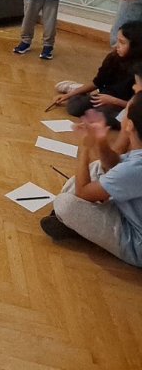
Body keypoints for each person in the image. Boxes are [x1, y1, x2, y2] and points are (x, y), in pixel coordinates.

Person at [41, 96, 142, 269]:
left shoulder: (136, 168)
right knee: (96, 168)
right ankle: (74, 222)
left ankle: (74, 224)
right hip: (131, 212)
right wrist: (100, 141)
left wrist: (85, 148)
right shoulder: (137, 158)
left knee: (65, 203)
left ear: (130, 125)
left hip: (136, 244)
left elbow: (83, 192)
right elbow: (114, 165)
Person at [51, 21, 142, 128]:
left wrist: (114, 101)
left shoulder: (139, 69)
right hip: (105, 95)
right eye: (117, 40)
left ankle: (85, 94)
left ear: (135, 46)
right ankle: (77, 89)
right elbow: (97, 82)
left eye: (122, 42)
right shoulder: (113, 58)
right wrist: (68, 96)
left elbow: (137, 105)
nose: (117, 46)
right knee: (74, 108)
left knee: (105, 117)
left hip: (124, 104)